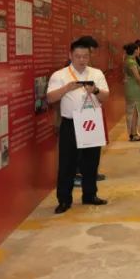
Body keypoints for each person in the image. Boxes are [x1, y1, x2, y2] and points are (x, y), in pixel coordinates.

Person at [46, 37, 109, 214]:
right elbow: (50, 98)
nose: (82, 60)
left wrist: (95, 90)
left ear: (90, 56)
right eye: (78, 56)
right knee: (67, 163)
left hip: (91, 121)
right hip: (70, 123)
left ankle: (90, 194)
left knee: (91, 161)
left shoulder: (96, 73)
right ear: (70, 55)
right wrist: (66, 88)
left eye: (85, 56)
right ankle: (64, 200)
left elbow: (105, 97)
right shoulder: (60, 75)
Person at [123, 42, 140, 142]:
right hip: (134, 87)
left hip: (130, 86)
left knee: (132, 111)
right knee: (134, 111)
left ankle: (133, 133)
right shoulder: (131, 62)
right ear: (135, 50)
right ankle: (134, 134)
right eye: (138, 49)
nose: (139, 51)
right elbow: (137, 77)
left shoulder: (128, 60)